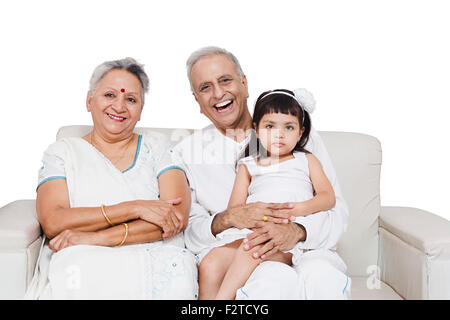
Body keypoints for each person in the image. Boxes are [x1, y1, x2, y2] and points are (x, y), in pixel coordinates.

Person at [174, 46, 351, 299]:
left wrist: (298, 229)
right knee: (263, 277)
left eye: (225, 80)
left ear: (244, 84)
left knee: (320, 277)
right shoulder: (186, 153)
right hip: (242, 249)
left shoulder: (299, 140)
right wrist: (228, 218)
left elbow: (336, 209)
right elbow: (189, 231)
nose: (218, 93)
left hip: (308, 248)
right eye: (205, 87)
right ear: (197, 101)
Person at [25, 57, 198, 299]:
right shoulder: (63, 153)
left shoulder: (160, 148)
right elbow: (54, 221)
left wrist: (95, 237)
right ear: (89, 101)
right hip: (82, 256)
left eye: (131, 99)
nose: (119, 106)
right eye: (109, 95)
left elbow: (175, 218)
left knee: (177, 271)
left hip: (153, 253)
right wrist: (135, 207)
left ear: (140, 111)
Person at [199, 88, 338, 299]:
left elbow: (327, 197)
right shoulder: (248, 165)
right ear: (256, 129)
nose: (279, 134)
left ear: (301, 132)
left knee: (252, 249)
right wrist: (252, 217)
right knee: (210, 262)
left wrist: (298, 209)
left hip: (288, 236)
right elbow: (235, 210)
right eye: (270, 126)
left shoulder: (306, 161)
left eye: (289, 127)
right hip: (252, 230)